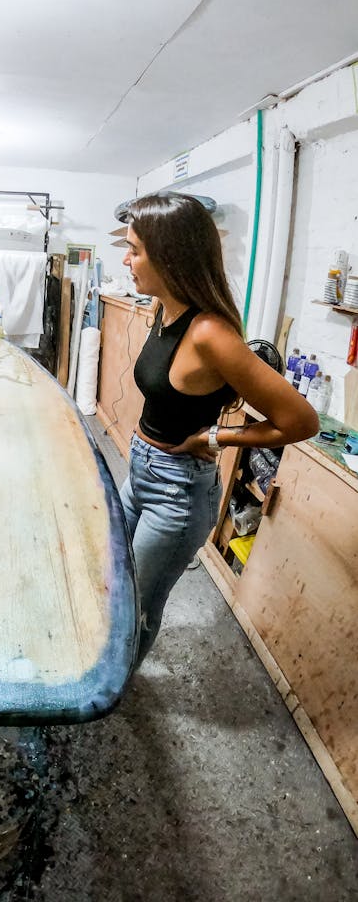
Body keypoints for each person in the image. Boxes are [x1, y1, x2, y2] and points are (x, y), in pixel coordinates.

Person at [118, 193, 318, 666]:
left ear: (170, 256)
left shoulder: (210, 333)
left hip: (177, 492)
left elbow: (300, 421)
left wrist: (213, 438)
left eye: (136, 250)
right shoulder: (161, 308)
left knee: (138, 607)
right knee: (110, 572)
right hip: (141, 470)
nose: (126, 260)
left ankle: (116, 688)